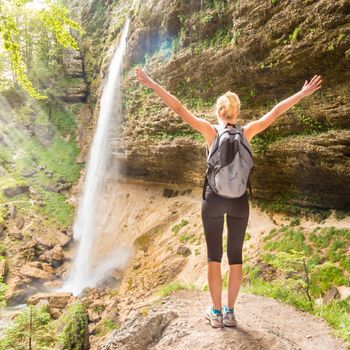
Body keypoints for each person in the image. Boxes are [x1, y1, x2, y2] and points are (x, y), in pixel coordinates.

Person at [135, 68, 322, 327]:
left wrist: (153, 84)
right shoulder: (247, 132)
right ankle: (231, 312)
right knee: (235, 257)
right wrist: (302, 93)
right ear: (237, 113)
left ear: (218, 113)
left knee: (214, 256)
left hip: (213, 199)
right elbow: (277, 112)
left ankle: (216, 313)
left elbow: (179, 109)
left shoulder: (210, 132)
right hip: (239, 202)